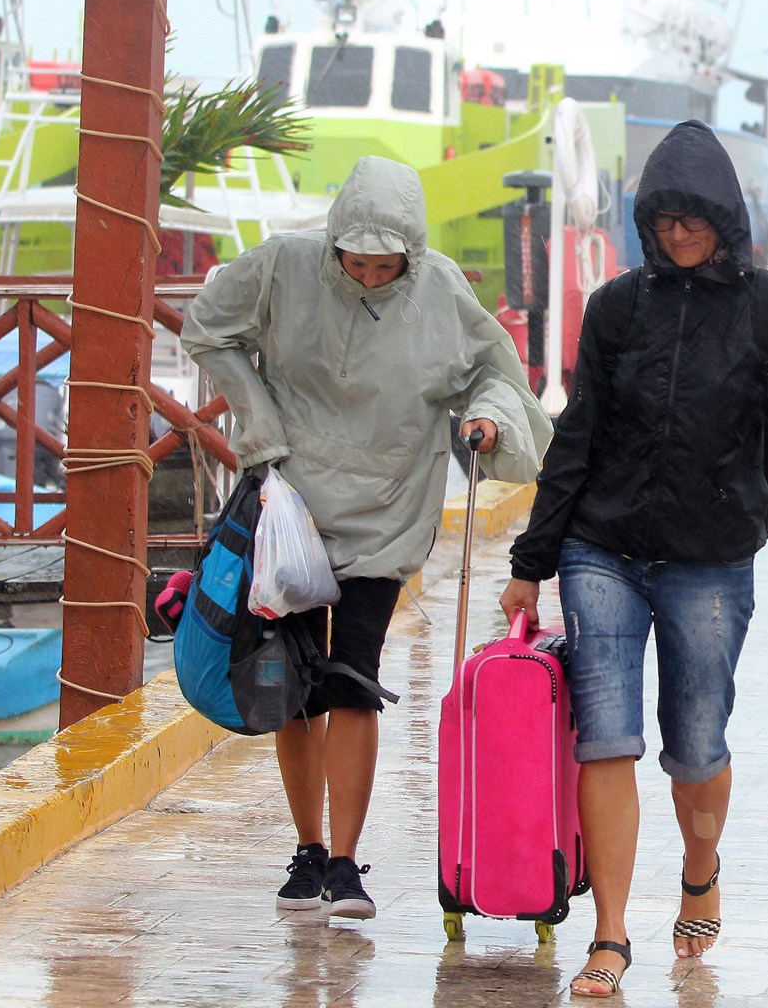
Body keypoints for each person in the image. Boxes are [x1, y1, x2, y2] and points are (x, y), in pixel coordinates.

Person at [502, 120, 768, 998]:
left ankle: (700, 870)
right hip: (605, 551)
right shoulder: (617, 308)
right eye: (662, 220)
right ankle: (611, 936)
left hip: (711, 556)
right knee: (606, 739)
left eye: (692, 218)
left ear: (725, 218)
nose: (676, 234)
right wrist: (534, 555)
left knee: (697, 746)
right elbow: (577, 435)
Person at [182, 156, 551, 921]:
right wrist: (256, 414)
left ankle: (347, 863)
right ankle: (307, 848)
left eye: (388, 265)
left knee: (353, 678)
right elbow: (207, 325)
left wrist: (486, 421)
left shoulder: (441, 288)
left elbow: (495, 373)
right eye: (357, 260)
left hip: (386, 509)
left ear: (411, 257)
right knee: (288, 687)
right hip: (290, 509)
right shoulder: (283, 265)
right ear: (333, 243)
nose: (372, 273)